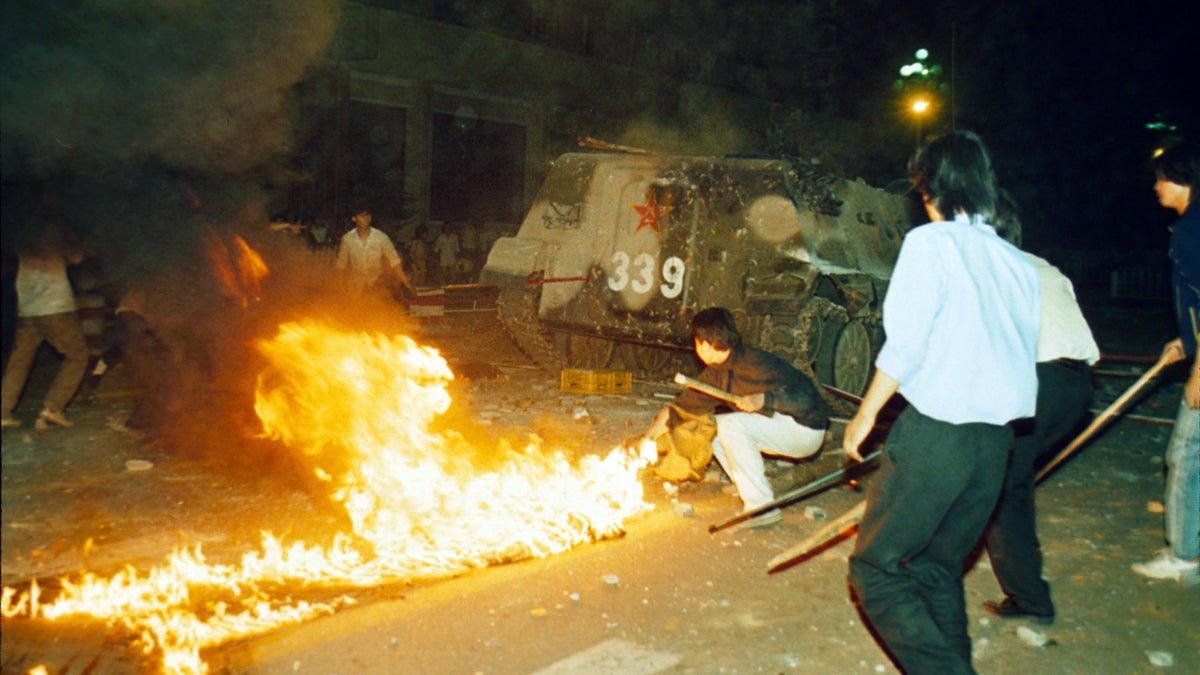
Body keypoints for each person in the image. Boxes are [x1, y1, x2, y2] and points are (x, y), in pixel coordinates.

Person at [842, 131, 1040, 674]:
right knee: (935, 569)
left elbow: (906, 343)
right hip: (996, 444)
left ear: (931, 187)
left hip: (938, 435)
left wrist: (865, 415)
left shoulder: (929, 245)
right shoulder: (1016, 262)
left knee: (876, 569)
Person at [982, 196, 1101, 622]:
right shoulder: (1045, 266)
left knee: (1004, 491)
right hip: (1078, 387)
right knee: (1012, 478)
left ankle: (1031, 599)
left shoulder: (991, 270)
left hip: (1039, 382)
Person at [640, 307, 831, 527]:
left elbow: (808, 398)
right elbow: (677, 411)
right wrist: (646, 441)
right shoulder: (716, 374)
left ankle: (761, 508)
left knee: (732, 425)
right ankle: (748, 488)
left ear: (705, 344)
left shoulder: (756, 363)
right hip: (782, 428)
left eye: (696, 342)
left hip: (805, 430)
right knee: (713, 427)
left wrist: (765, 399)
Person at [1130, 141, 1200, 585]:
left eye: (1161, 178)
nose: (1156, 187)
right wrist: (1185, 341)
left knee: (1185, 457)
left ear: (1182, 180)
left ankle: (1183, 555)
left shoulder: (1193, 232)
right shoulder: (1190, 227)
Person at [1, 219, 90, 431]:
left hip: (27, 306)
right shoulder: (54, 227)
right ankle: (53, 407)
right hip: (54, 305)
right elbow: (74, 257)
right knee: (78, 355)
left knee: (19, 360)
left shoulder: (21, 229)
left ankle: (3, 411)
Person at [336, 208, 409, 297]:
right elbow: (341, 264)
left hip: (377, 283)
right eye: (362, 216)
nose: (366, 219)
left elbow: (394, 259)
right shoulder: (347, 239)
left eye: (368, 215)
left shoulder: (381, 237)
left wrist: (403, 278)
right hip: (355, 285)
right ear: (354, 218)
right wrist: (339, 286)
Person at [434, 221, 460, 286]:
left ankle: (451, 286)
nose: (448, 228)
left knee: (453, 274)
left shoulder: (454, 237)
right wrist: (435, 258)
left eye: (449, 227)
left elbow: (457, 248)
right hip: (443, 257)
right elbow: (436, 248)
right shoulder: (441, 237)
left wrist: (457, 259)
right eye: (446, 227)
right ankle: (443, 286)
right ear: (444, 228)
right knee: (443, 273)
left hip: (452, 257)